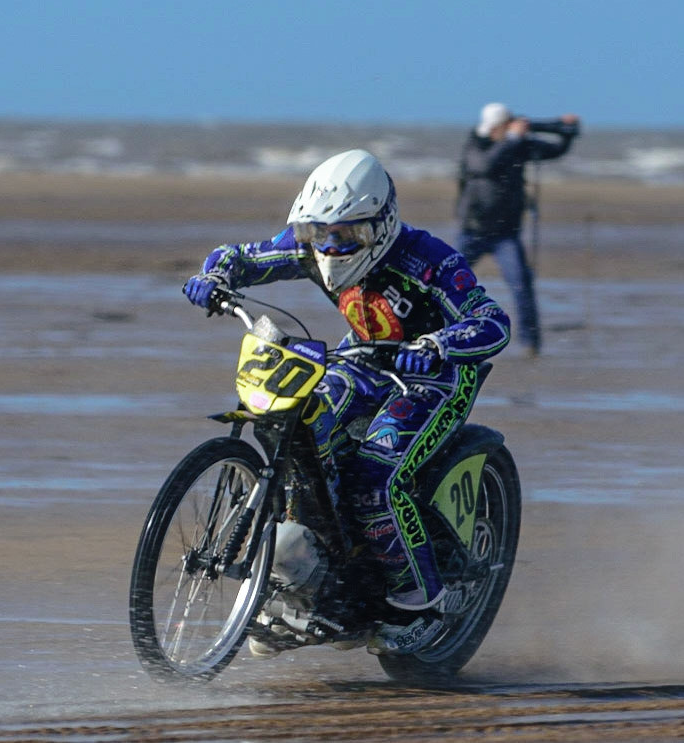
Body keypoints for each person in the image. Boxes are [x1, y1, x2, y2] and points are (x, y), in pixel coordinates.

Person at [183, 149, 510, 656]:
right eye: (319, 234)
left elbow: (491, 321)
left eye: (347, 235)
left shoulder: (429, 259)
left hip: (434, 378)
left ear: (382, 224)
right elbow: (245, 256)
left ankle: (420, 599)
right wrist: (215, 276)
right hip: (359, 361)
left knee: (375, 476)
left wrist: (437, 346)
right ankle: (321, 571)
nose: (331, 247)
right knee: (302, 429)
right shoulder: (310, 243)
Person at [456, 102, 579, 357]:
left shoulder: (518, 145)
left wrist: (566, 131)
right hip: (474, 230)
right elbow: (485, 166)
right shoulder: (476, 144)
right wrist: (512, 138)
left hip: (506, 233)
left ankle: (530, 343)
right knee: (447, 279)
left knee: (522, 284)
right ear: (495, 127)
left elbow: (554, 150)